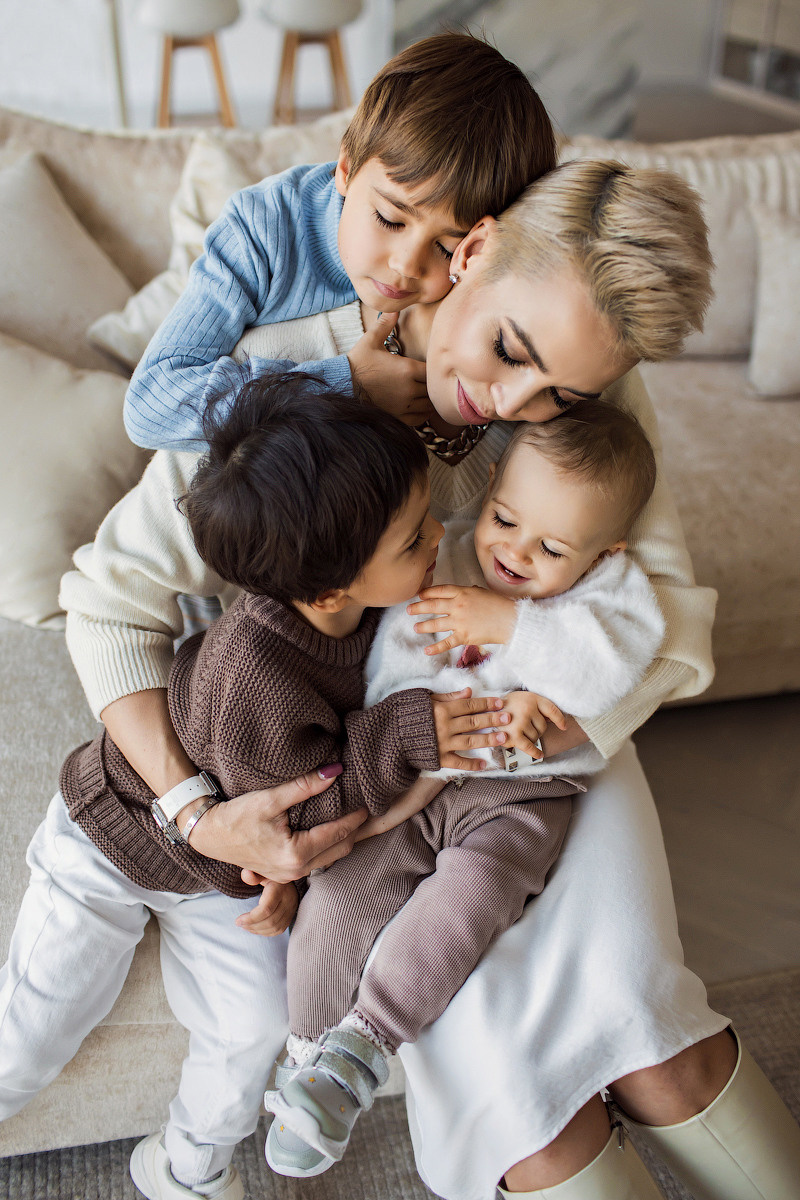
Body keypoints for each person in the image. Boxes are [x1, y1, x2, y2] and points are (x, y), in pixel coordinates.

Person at [59, 161, 800, 1198]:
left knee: (660, 1052)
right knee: (535, 1126)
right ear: (474, 251)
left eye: (561, 394)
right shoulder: (298, 380)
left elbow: (666, 623)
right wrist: (197, 814)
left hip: (550, 751)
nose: (514, 403)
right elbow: (106, 607)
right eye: (509, 350)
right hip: (381, 775)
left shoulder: (587, 376)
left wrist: (533, 715)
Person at [0, 375, 516, 1200]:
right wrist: (409, 732)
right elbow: (297, 807)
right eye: (414, 537)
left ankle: (186, 1168)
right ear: (331, 589)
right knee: (38, 1020)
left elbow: (282, 829)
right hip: (118, 834)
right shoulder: (255, 672)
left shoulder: (367, 610)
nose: (438, 537)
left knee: (255, 1025)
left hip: (220, 876)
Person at [264, 401, 666, 1178]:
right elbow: (388, 666)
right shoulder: (442, 553)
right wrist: (406, 755)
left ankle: (365, 1042)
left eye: (552, 548)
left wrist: (513, 628)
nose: (515, 552)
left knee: (474, 892)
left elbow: (608, 672)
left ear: (605, 551)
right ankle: (310, 1062)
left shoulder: (614, 595)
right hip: (416, 783)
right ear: (490, 489)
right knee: (337, 901)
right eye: (505, 520)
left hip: (521, 795)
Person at [122, 31, 556, 451]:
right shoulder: (263, 230)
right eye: (390, 220)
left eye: (447, 248)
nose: (407, 265)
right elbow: (151, 404)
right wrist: (344, 385)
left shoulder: (484, 289)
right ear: (345, 168)